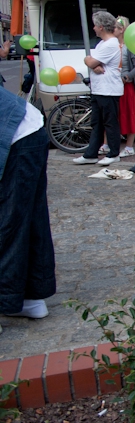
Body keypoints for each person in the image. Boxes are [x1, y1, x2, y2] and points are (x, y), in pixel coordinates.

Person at [0, 86, 56, 323]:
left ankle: (17, 297)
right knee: (27, 219)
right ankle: (28, 298)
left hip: (19, 135)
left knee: (10, 223)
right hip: (26, 131)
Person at [72, 11, 123, 166]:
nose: (93, 28)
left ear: (101, 27)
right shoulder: (103, 44)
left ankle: (114, 153)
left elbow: (92, 62)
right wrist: (92, 63)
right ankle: (91, 153)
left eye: (95, 25)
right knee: (97, 123)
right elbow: (94, 63)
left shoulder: (110, 44)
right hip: (100, 88)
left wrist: (89, 61)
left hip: (109, 89)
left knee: (110, 122)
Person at [116, 16, 135, 158]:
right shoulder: (112, 44)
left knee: (129, 114)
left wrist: (127, 77)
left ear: (122, 29)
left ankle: (129, 146)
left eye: (116, 27)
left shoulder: (129, 45)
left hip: (127, 85)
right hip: (115, 83)